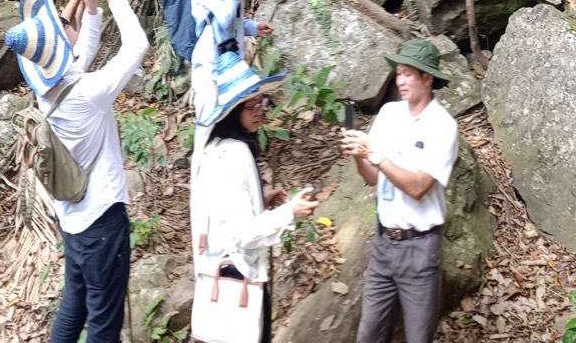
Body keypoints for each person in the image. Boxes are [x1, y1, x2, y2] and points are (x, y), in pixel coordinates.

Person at [4, 0, 149, 343]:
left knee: (75, 305)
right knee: (103, 321)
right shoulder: (87, 93)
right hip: (102, 221)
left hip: (72, 224)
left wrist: (91, 8)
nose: (72, 24)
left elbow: (80, 55)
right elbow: (137, 48)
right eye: (67, 24)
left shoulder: (49, 92)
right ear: (61, 45)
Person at [191, 52, 320, 343]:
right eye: (253, 105)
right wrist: (290, 212)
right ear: (233, 112)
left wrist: (259, 198)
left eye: (262, 102)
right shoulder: (233, 155)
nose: (262, 110)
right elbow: (242, 233)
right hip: (238, 282)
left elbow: (224, 208)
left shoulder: (216, 148)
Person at [341, 40, 459, 343]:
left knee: (418, 336)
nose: (401, 80)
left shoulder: (442, 125)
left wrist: (377, 155)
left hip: (419, 248)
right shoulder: (389, 113)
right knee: (369, 333)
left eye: (408, 74)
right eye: (398, 73)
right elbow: (371, 178)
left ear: (427, 78)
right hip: (384, 244)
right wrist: (358, 153)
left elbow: (419, 187)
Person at [190, 0, 274, 139]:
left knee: (228, 125)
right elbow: (224, 18)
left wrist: (254, 27)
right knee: (207, 125)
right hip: (210, 67)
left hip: (229, 66)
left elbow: (233, 23)